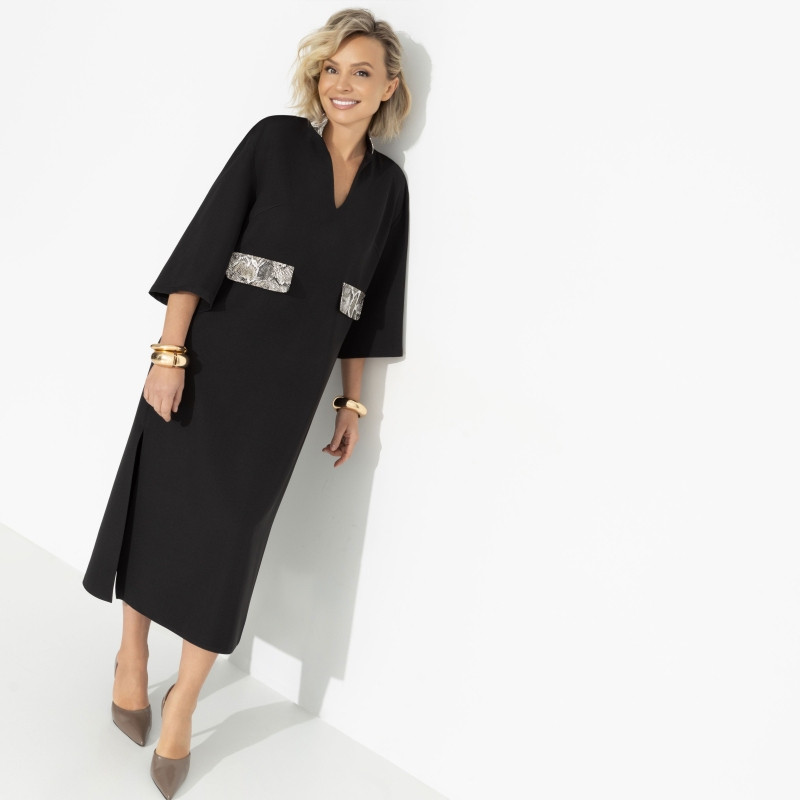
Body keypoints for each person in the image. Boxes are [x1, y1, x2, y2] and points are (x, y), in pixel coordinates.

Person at [81, 8, 412, 798]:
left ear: (388, 87)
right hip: (207, 364)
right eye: (331, 69)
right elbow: (204, 246)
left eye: (361, 72)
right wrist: (169, 355)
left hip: (285, 395)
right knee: (161, 510)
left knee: (232, 542)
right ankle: (133, 656)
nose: (342, 84)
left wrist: (352, 404)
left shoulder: (388, 189)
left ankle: (184, 702)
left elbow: (369, 306)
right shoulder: (274, 141)